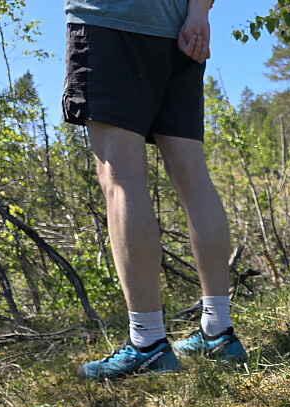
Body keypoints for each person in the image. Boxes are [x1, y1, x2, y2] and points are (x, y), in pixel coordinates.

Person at [62, 0, 247, 380]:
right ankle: (218, 332)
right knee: (193, 176)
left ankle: (147, 344)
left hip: (110, 19)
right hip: (182, 28)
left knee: (121, 176)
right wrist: (200, 13)